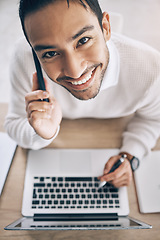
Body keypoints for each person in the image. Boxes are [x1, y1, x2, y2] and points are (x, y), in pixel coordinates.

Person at [5, 0, 160, 188]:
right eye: (50, 53)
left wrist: (130, 155)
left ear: (105, 28)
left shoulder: (150, 68)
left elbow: (154, 119)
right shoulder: (23, 58)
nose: (74, 72)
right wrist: (41, 132)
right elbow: (14, 123)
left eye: (83, 40)